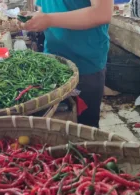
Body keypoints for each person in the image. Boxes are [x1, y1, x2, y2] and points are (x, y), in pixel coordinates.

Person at [23, 0, 113, 128]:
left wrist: (48, 20)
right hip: (53, 61)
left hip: (85, 63)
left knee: (84, 130)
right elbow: (47, 9)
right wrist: (36, 19)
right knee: (52, 127)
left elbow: (102, 13)